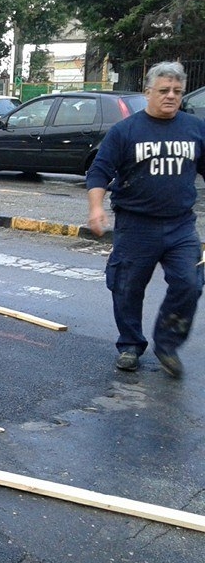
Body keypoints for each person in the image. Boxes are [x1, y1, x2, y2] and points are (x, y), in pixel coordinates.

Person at [86, 61, 205, 378]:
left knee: (189, 283)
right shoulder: (125, 131)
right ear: (148, 92)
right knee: (126, 287)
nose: (171, 96)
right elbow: (99, 172)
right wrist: (96, 208)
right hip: (136, 226)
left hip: (181, 226)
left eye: (177, 91)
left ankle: (167, 345)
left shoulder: (195, 128)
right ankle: (130, 345)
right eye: (164, 90)